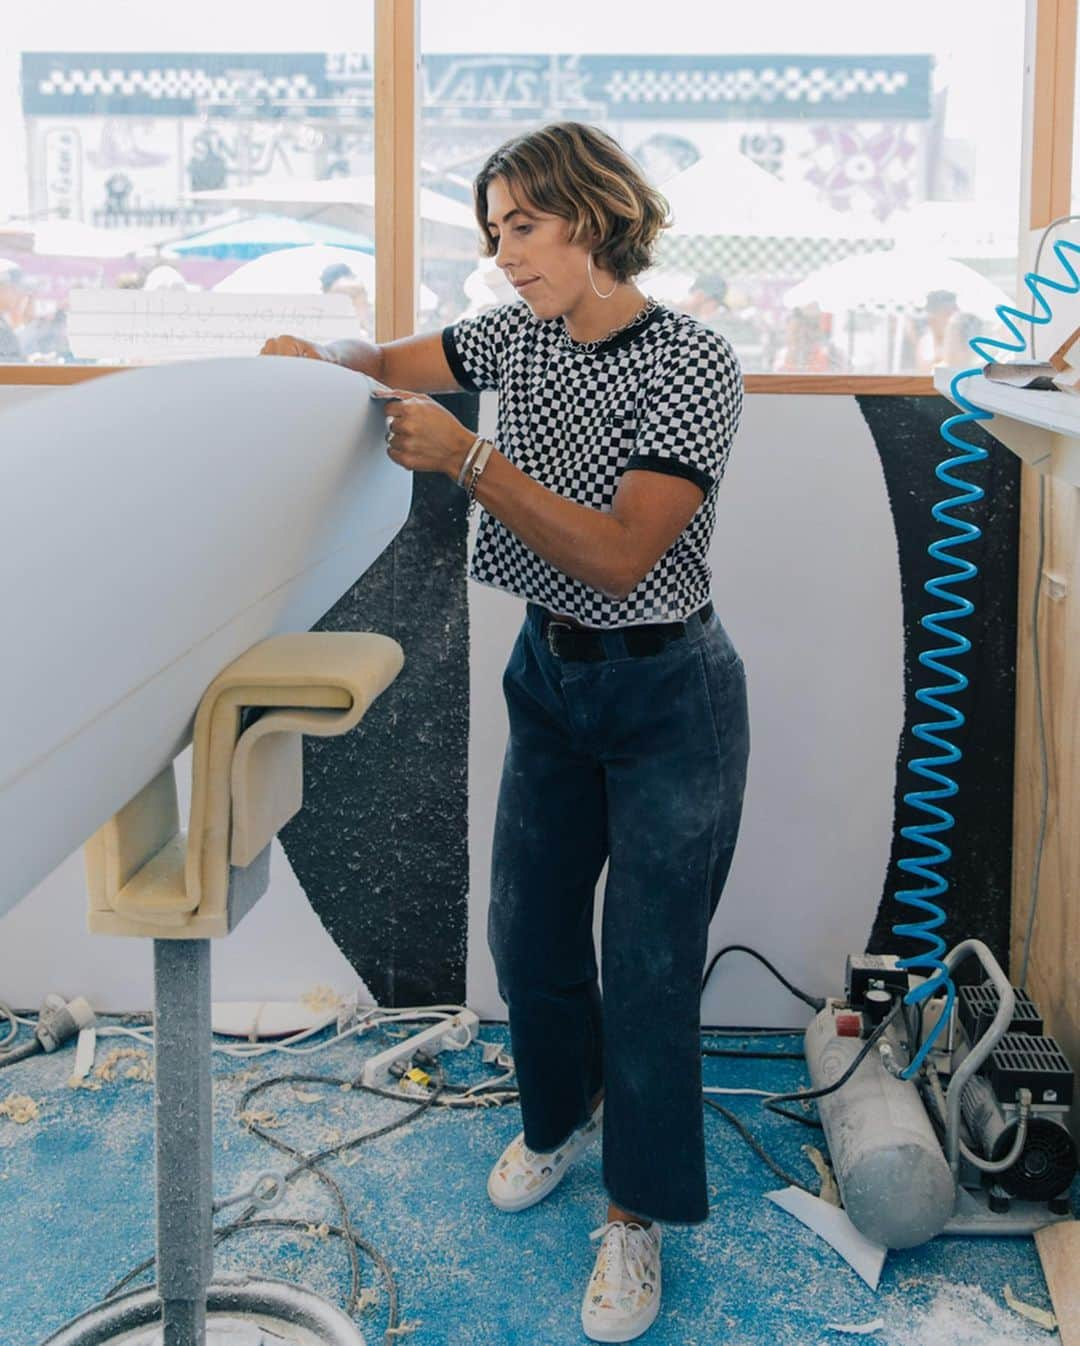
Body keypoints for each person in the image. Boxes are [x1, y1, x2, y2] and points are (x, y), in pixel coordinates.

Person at [260, 119, 749, 1344]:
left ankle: (634, 1218)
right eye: (493, 234)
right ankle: (558, 1115)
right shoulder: (510, 335)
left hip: (665, 689)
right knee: (526, 926)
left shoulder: (691, 359)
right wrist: (316, 358)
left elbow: (627, 550)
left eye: (524, 226)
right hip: (553, 671)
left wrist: (472, 458)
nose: (505, 254)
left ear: (594, 215)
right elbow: (382, 352)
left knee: (644, 962)